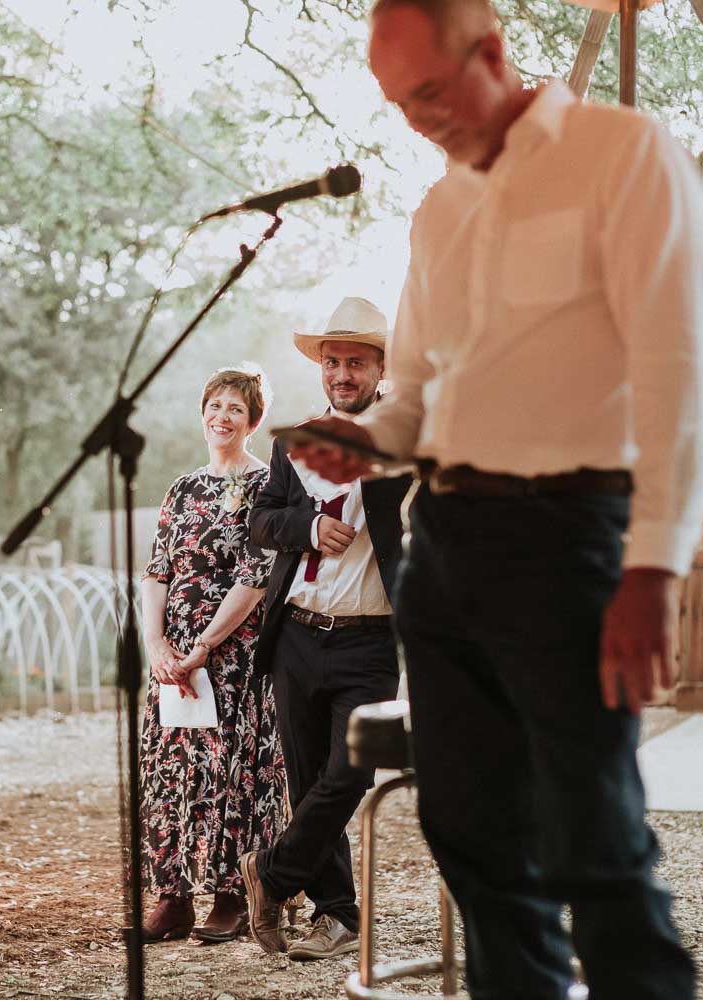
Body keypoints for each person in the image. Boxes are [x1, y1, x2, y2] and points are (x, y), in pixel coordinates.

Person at [283, 1, 703, 996]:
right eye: (397, 103)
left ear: (491, 52)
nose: (416, 120)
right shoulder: (439, 210)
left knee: (590, 838)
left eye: (429, 93)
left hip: (571, 538)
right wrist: (366, 440)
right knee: (470, 834)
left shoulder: (626, 154)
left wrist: (653, 564)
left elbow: (678, 375)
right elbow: (421, 393)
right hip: (441, 544)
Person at [238, 297, 413, 960]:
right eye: (333, 362)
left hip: (371, 638)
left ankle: (272, 873)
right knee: (311, 783)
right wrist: (308, 528)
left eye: (357, 362)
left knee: (352, 771)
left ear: (379, 367)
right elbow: (262, 521)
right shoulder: (296, 440)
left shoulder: (402, 438)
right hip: (298, 636)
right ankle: (338, 914)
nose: (343, 373)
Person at [137, 366, 285, 944]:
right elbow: (157, 571)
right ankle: (172, 896)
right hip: (174, 654)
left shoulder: (268, 485)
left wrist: (204, 647)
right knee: (172, 768)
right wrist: (158, 645)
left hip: (235, 651)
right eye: (215, 406)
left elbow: (256, 576)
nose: (222, 418)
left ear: (252, 422)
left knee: (231, 769)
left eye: (235, 410)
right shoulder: (183, 488)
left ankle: (233, 895)